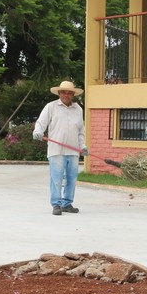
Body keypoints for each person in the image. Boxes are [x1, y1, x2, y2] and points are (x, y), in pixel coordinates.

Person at [32, 80, 88, 216]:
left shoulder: (78, 109)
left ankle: (67, 204)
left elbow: (80, 131)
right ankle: (56, 204)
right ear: (59, 93)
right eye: (64, 92)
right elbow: (41, 122)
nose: (66, 95)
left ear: (73, 94)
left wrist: (83, 146)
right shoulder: (51, 107)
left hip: (73, 150)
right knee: (56, 179)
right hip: (56, 150)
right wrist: (38, 131)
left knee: (71, 178)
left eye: (69, 93)